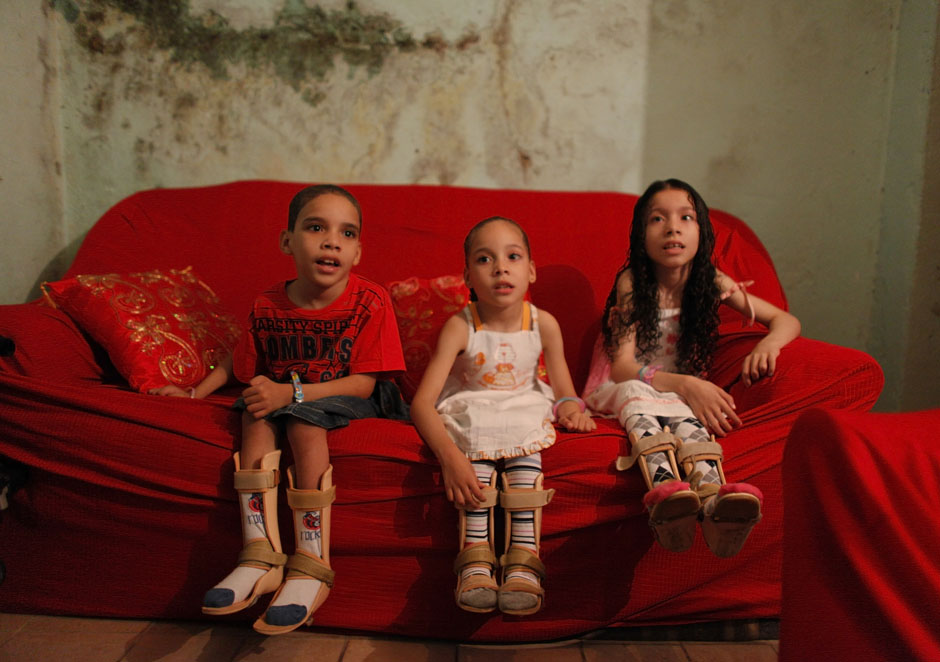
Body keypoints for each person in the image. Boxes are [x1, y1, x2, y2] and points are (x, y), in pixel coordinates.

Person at [151, 184, 406, 635]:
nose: (332, 241)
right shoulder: (268, 303)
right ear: (287, 241)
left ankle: (310, 561)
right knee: (253, 413)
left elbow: (365, 381)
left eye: (346, 233)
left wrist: (295, 396)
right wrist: (195, 393)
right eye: (316, 228)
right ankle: (260, 551)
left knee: (301, 424)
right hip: (290, 394)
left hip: (352, 394)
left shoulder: (370, 300)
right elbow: (240, 359)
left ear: (358, 251)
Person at [583, 179, 800, 557]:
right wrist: (684, 384)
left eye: (686, 217)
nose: (672, 227)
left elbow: (786, 320)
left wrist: (769, 343)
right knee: (641, 397)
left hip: (673, 389)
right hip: (625, 382)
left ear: (702, 231)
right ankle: (665, 495)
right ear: (640, 234)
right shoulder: (633, 282)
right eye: (657, 219)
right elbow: (621, 369)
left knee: (687, 416)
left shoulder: (710, 281)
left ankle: (715, 501)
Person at [410, 216, 596, 616]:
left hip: (523, 404)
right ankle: (475, 557)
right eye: (485, 258)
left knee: (525, 460)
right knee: (475, 440)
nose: (500, 267)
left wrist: (571, 409)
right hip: (473, 406)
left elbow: (565, 391)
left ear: (530, 271)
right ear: (467, 277)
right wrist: (450, 458)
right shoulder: (460, 327)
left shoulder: (543, 324)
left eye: (513, 256)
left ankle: (523, 559)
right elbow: (422, 403)